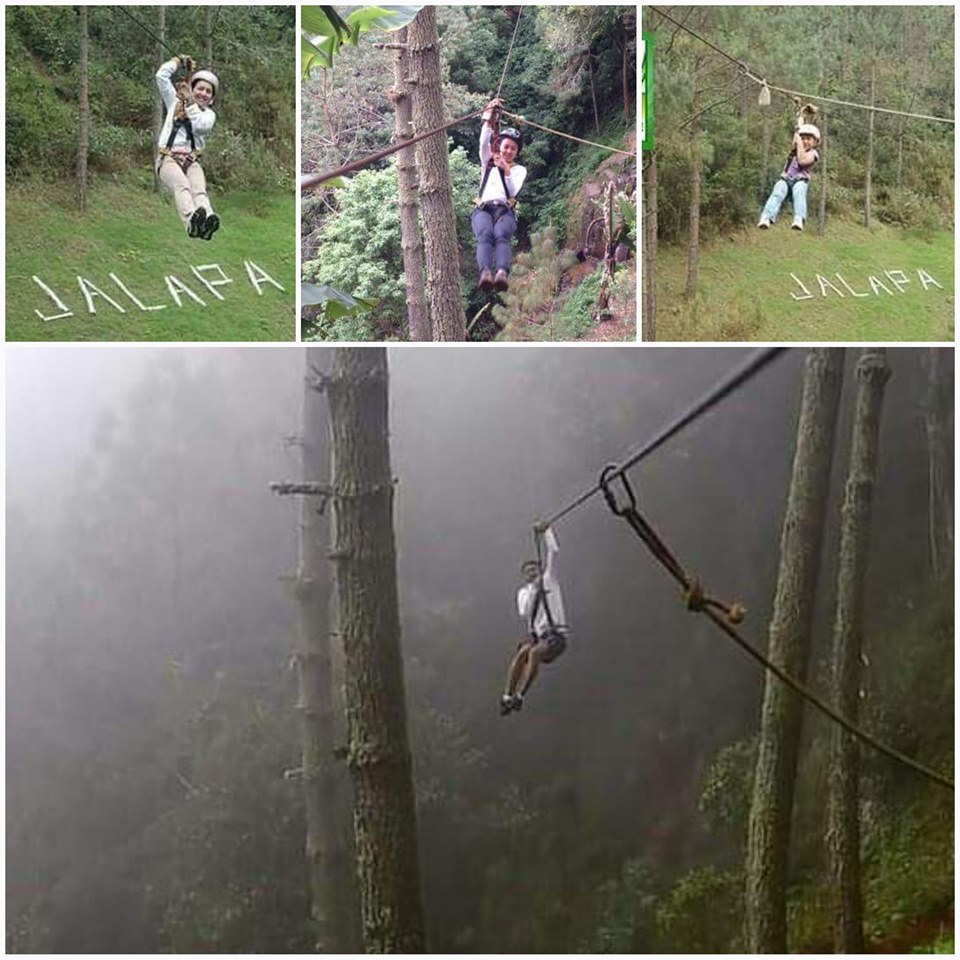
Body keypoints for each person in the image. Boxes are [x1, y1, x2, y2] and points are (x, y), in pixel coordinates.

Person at [501, 526, 568, 715]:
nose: (531, 571)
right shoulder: (523, 593)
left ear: (540, 569)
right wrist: (534, 589)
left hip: (556, 636)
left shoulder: (549, 579)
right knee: (523, 652)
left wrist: (547, 531)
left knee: (534, 653)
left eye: (534, 568)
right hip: (539, 637)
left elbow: (553, 552)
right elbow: (525, 611)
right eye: (527, 570)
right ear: (524, 575)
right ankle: (507, 696)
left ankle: (520, 695)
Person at [156, 55, 221, 240]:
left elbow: (200, 126)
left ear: (211, 99)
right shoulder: (173, 103)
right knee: (182, 185)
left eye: (208, 92)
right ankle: (190, 221)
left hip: (191, 161)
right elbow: (161, 76)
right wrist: (177, 62)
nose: (203, 93)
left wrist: (191, 102)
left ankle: (207, 220)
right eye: (200, 88)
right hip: (167, 159)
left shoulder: (208, 115)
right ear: (192, 89)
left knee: (199, 190)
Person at [472, 97, 527, 293]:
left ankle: (502, 273)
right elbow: (483, 142)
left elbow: (513, 191)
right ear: (499, 146)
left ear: (517, 152)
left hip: (504, 210)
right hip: (484, 208)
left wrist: (506, 170)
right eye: (506, 146)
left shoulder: (518, 170)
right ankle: (485, 273)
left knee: (501, 236)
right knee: (485, 235)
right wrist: (489, 118)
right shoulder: (488, 161)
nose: (509, 151)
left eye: (513, 148)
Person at [757, 122, 820, 231]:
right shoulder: (795, 149)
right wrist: (799, 123)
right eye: (803, 138)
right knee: (777, 192)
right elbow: (795, 139)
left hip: (800, 181)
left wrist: (799, 140)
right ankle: (766, 217)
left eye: (808, 139)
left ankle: (799, 218)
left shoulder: (813, 154)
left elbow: (802, 160)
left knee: (799, 191)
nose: (805, 141)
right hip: (786, 180)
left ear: (815, 142)